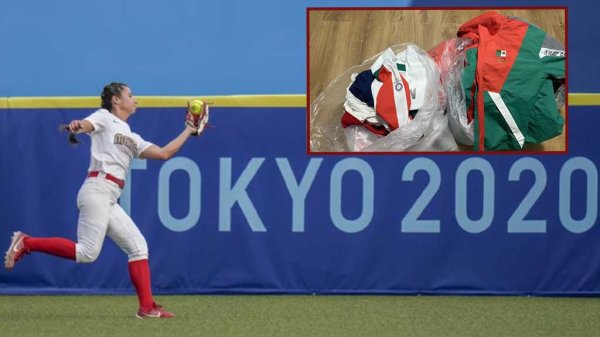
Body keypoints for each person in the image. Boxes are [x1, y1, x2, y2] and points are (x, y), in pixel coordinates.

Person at [3, 82, 208, 319]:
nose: (135, 99)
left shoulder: (132, 136)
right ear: (116, 100)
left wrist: (188, 130)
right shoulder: (104, 117)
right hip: (97, 189)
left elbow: (164, 153)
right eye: (130, 95)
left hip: (109, 196)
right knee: (87, 253)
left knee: (138, 247)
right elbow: (88, 124)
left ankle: (147, 307)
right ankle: (27, 242)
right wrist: (79, 126)